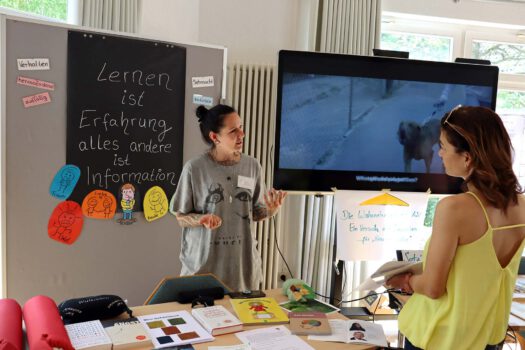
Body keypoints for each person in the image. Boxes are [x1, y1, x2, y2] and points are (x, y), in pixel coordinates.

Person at [387, 106, 525, 350]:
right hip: (488, 338)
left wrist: (404, 281)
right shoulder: (522, 206)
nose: (439, 153)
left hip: (438, 338)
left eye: (442, 146)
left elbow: (432, 287)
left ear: (467, 157)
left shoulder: (454, 209)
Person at [170, 104, 287, 291]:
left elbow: (255, 213)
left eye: (241, 127)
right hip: (202, 270)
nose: (242, 134)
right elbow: (180, 217)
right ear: (214, 137)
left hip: (242, 270)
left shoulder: (252, 166)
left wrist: (271, 210)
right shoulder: (195, 168)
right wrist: (202, 219)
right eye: (233, 130)